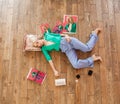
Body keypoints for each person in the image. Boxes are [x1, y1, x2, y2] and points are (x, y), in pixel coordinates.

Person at [33, 28, 102, 76]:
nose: (38, 44)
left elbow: (60, 34)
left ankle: (94, 33)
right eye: (37, 45)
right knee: (75, 65)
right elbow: (49, 60)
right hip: (66, 49)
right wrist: (54, 71)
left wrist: (67, 36)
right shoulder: (44, 49)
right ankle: (92, 59)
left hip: (69, 41)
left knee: (88, 48)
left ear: (38, 39)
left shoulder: (47, 35)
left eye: (37, 42)